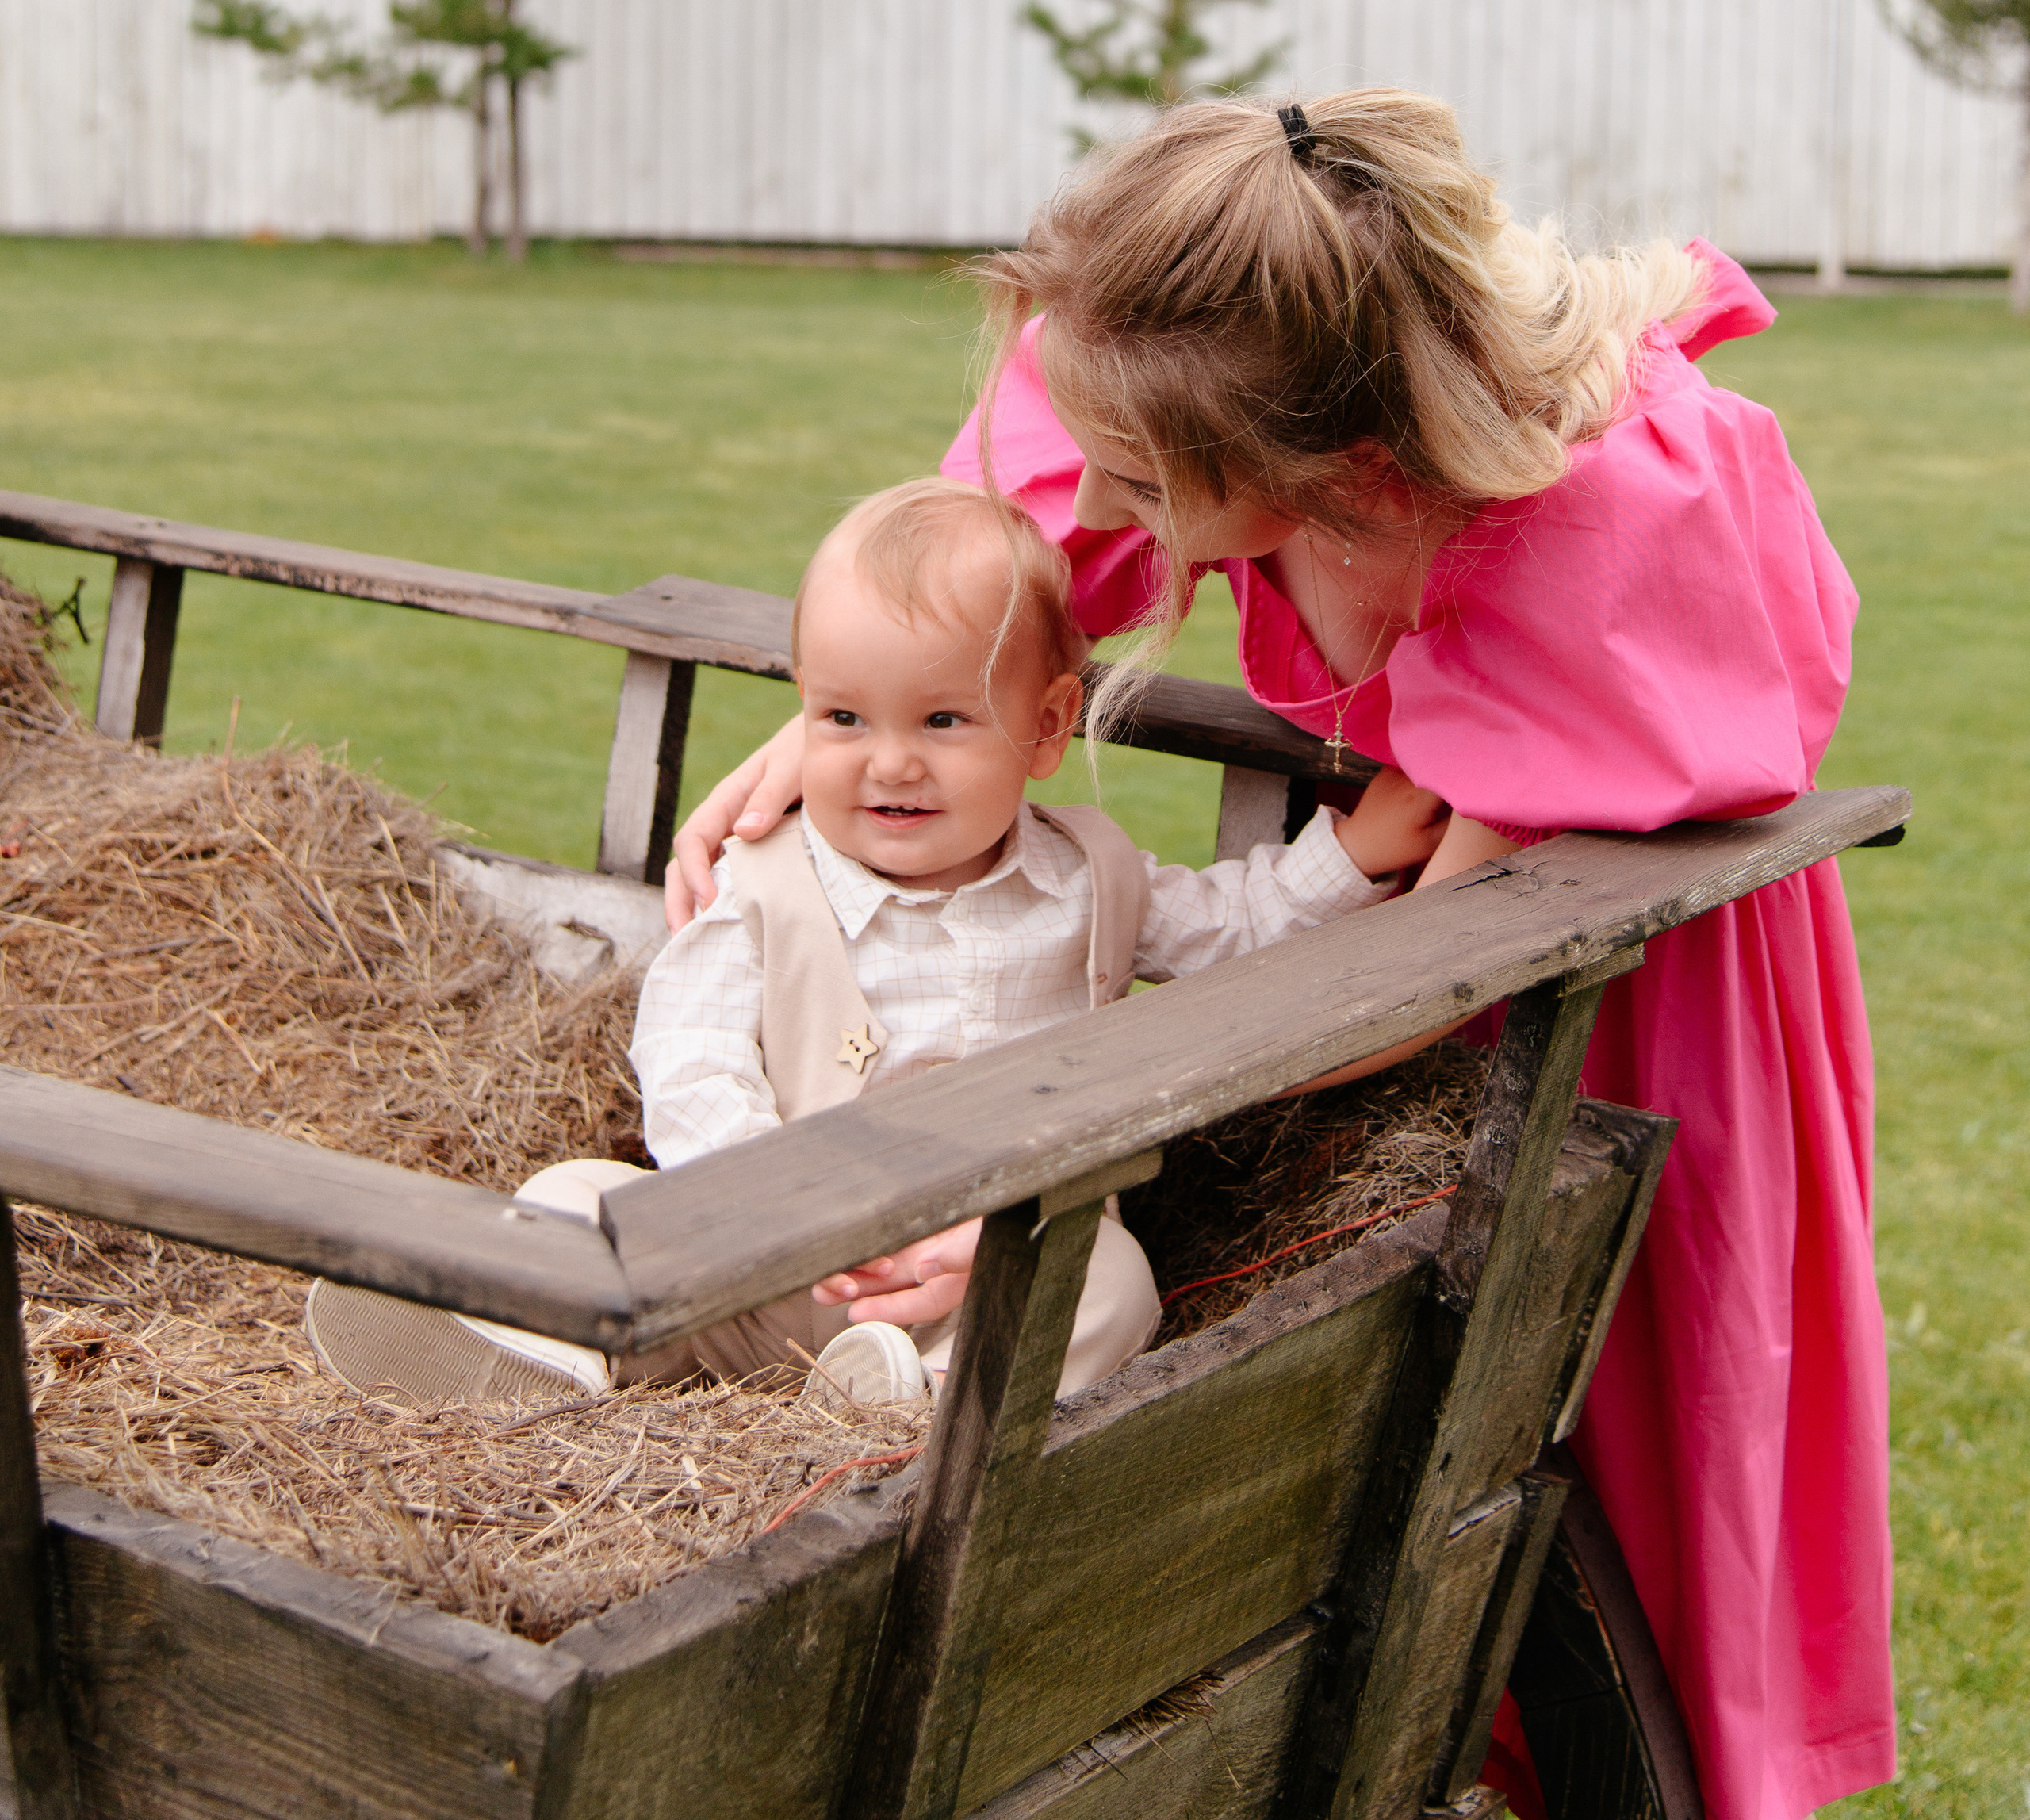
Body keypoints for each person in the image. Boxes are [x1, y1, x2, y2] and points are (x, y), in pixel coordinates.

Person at [666, 94, 1891, 1820]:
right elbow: (1002, 562)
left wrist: (1043, 1157)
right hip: (1379, 952)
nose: (1099, 506)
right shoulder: (1196, 331)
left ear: (1339, 471)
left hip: (1617, 1001)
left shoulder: (1590, 526)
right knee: (1376, 1519)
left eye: (1145, 486)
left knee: (1631, 1495)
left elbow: (1421, 977)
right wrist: (849, 723)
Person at [308, 473, 1438, 1417]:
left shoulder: (1092, 876)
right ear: (803, 710)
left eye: (943, 721)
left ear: (1047, 727)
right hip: (763, 1265)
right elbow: (690, 1058)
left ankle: (908, 1408)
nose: (890, 762)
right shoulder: (763, 883)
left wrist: (1350, 854)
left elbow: (1233, 926)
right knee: (576, 1197)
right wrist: (777, 1209)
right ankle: (535, 1350)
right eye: (844, 719)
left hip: (979, 1275)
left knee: (1111, 1285)